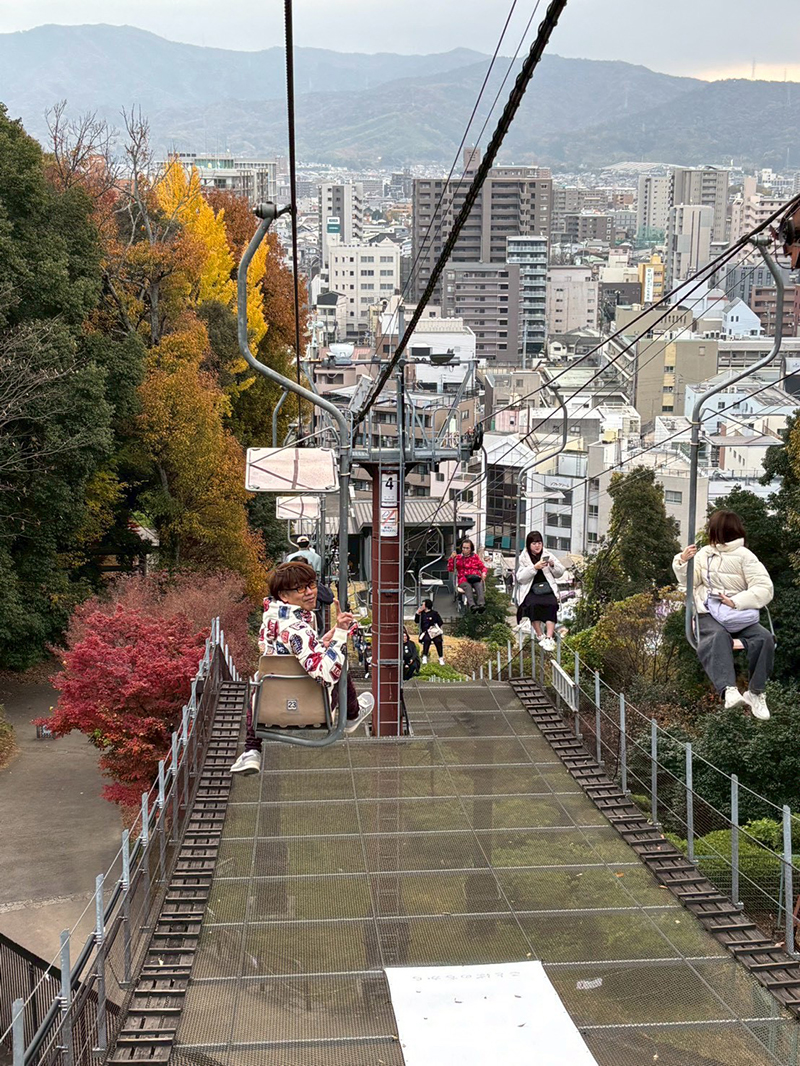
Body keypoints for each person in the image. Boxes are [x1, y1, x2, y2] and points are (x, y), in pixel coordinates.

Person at [230, 561, 375, 774]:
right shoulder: (299, 629)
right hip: (311, 707)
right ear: (284, 595)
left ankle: (252, 749)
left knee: (262, 676)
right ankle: (352, 714)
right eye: (300, 588)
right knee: (339, 661)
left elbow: (294, 654)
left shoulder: (270, 622)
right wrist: (341, 634)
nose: (309, 592)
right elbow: (325, 674)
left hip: (269, 707)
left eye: (311, 585)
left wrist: (324, 641)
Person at [673, 510, 774, 721]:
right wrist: (682, 561)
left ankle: (755, 692)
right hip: (709, 612)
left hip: (736, 613)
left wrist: (736, 601)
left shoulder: (746, 557)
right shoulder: (705, 554)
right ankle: (729, 689)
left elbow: (764, 588)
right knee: (717, 636)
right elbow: (689, 581)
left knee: (765, 638)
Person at [514, 531, 565, 652]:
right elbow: (520, 578)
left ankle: (549, 637)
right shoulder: (523, 558)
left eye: (539, 543)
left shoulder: (548, 554)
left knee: (552, 604)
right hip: (531, 589)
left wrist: (552, 565)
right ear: (529, 545)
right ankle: (540, 635)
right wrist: (534, 568)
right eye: (534, 543)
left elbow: (560, 572)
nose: (537, 546)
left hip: (547, 588)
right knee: (533, 605)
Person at [447, 539, 487, 612]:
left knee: (479, 584)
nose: (465, 550)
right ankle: (472, 605)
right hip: (463, 579)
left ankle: (481, 604)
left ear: (471, 549)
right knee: (467, 586)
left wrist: (484, 573)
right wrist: (452, 558)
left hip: (474, 577)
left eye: (467, 548)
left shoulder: (475, 557)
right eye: (464, 548)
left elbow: (482, 567)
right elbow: (451, 569)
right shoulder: (458, 558)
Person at [416, 598, 445, 664]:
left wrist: (434, 625)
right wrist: (417, 613)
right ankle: (424, 656)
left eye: (423, 605)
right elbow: (416, 621)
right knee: (427, 640)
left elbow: (440, 622)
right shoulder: (422, 614)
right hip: (426, 631)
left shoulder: (434, 613)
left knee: (438, 641)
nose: (422, 606)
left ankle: (440, 657)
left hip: (434, 631)